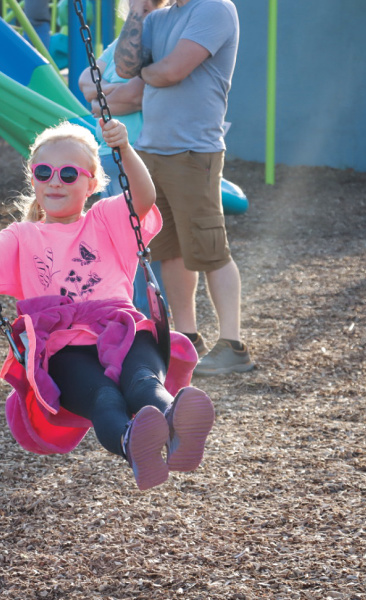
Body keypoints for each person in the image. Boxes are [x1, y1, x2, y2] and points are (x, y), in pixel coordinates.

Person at [0, 120, 215, 491]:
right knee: (103, 398)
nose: (55, 181)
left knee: (143, 381)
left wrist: (125, 150)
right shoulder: (22, 235)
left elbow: (144, 197)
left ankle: (177, 425)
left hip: (123, 329)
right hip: (63, 348)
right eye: (44, 172)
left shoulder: (106, 220)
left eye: (69, 174)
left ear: (92, 184)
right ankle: (133, 442)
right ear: (33, 180)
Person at [114, 0, 254, 375]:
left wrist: (148, 72)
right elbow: (125, 68)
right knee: (169, 251)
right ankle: (187, 337)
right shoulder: (158, 17)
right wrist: (139, 12)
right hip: (151, 150)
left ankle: (233, 345)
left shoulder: (215, 9)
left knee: (210, 249)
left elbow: (173, 71)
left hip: (194, 151)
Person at [77, 0, 170, 321]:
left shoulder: (158, 38)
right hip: (107, 152)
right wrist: (109, 95)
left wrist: (104, 98)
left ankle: (150, 318)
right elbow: (85, 84)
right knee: (116, 239)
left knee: (142, 237)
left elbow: (135, 95)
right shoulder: (122, 42)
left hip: (137, 152)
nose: (137, 5)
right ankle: (125, 313)